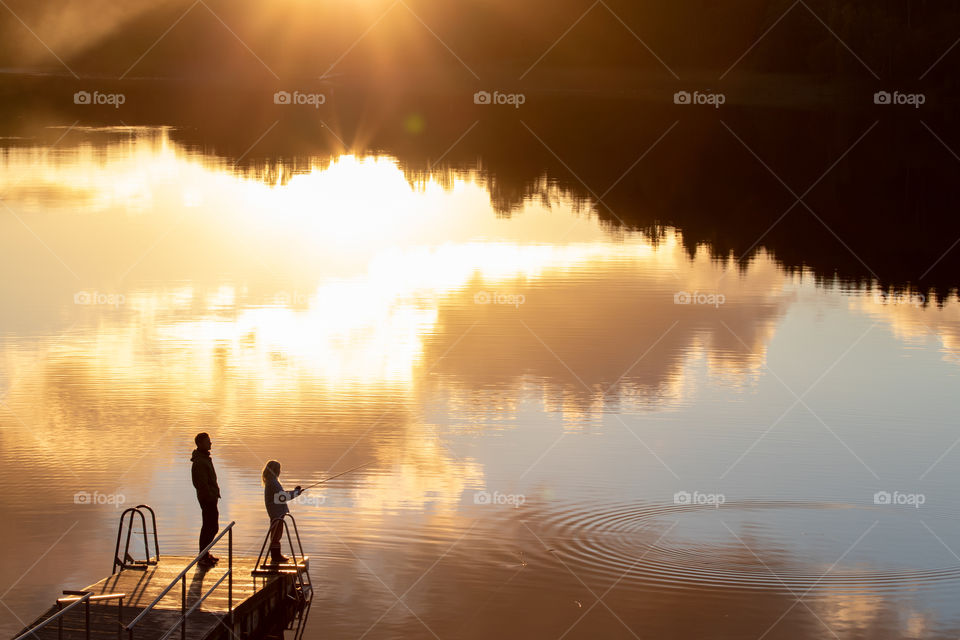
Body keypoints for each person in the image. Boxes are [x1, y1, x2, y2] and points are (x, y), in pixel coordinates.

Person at [262, 460, 302, 564]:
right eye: (279, 469)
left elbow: (281, 494)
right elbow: (283, 496)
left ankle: (276, 555)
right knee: (276, 534)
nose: (280, 472)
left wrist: (295, 491)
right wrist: (296, 493)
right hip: (276, 512)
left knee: (277, 533)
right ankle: (276, 556)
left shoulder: (271, 481)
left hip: (276, 511)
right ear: (275, 470)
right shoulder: (273, 482)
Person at [191, 432, 221, 568]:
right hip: (207, 499)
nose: (210, 443)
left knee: (211, 526)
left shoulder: (204, 458)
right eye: (208, 441)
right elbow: (200, 484)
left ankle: (205, 553)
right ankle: (202, 556)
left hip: (211, 497)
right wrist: (210, 495)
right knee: (210, 526)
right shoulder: (199, 462)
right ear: (200, 444)